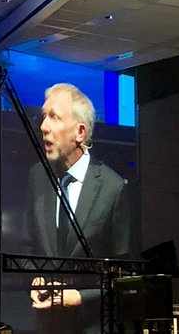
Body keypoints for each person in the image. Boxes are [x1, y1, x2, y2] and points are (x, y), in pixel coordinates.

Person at [24, 83, 130, 310]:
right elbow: (28, 248)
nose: (43, 127)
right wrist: (35, 279)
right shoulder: (37, 177)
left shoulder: (113, 188)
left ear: (79, 132)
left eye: (54, 117)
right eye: (43, 117)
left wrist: (81, 297)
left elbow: (125, 274)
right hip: (47, 330)